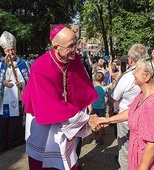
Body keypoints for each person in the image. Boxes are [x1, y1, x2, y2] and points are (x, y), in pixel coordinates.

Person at [22, 24, 99, 170]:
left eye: (75, 43)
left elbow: (80, 90)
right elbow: (49, 106)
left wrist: (79, 119)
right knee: (44, 161)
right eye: (70, 46)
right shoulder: (40, 67)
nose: (75, 49)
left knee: (67, 161)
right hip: (43, 123)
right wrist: (86, 119)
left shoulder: (73, 58)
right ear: (56, 47)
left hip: (68, 117)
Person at [98, 54, 154, 170]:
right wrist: (107, 120)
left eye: (136, 71)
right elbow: (133, 111)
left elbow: (153, 143)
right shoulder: (143, 94)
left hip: (149, 160)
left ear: (146, 77)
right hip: (139, 152)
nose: (133, 73)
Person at [110, 43, 148, 169]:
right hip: (144, 120)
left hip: (126, 119)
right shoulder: (151, 74)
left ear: (131, 59)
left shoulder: (127, 76)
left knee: (125, 152)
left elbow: (114, 97)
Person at [0, 31, 30, 152]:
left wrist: (21, 84)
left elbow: (30, 81)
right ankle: (3, 146)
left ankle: (16, 145)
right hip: (3, 102)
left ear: (15, 49)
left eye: (12, 49)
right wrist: (3, 83)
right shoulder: (1, 65)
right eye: (8, 50)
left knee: (16, 124)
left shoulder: (23, 64)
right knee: (3, 124)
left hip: (18, 100)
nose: (11, 52)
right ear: (4, 52)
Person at [89, 71, 108, 145]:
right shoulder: (104, 88)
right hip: (102, 108)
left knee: (93, 123)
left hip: (93, 108)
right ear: (103, 79)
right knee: (101, 123)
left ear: (94, 79)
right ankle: (100, 138)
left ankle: (94, 139)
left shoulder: (92, 88)